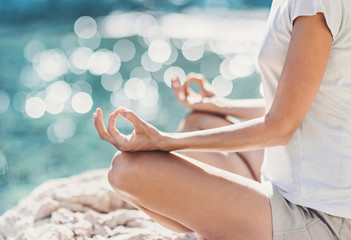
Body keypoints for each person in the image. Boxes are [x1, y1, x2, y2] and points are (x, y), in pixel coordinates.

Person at [93, 0, 351, 238]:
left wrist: (164, 141)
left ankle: (224, 225)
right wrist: (221, 105)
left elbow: (281, 127)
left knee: (127, 171)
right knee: (201, 121)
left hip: (324, 218)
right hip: (286, 184)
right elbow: (297, 103)